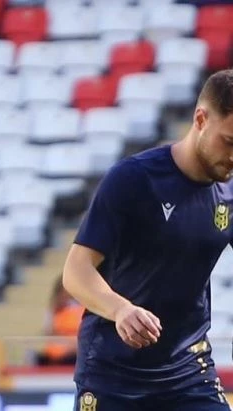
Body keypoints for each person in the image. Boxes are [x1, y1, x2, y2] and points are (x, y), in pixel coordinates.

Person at [62, 69, 233, 410]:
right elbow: (75, 271)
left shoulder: (229, 192)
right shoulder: (134, 179)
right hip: (113, 374)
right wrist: (121, 310)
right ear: (201, 119)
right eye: (229, 141)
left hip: (188, 373)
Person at [36, 274, 83, 366]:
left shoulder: (79, 308)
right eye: (63, 291)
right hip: (56, 353)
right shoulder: (53, 310)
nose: (66, 294)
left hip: (74, 353)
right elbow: (49, 332)